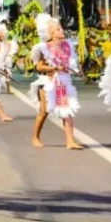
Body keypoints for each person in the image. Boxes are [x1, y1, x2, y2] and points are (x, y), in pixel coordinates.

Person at [29, 13, 83, 150]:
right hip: (49, 82)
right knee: (44, 111)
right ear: (51, 33)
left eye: (61, 28)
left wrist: (77, 71)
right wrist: (54, 68)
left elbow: (71, 65)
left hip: (64, 83)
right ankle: (35, 137)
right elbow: (39, 66)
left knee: (67, 111)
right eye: (58, 29)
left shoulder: (67, 46)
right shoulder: (44, 47)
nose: (62, 30)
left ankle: (70, 141)